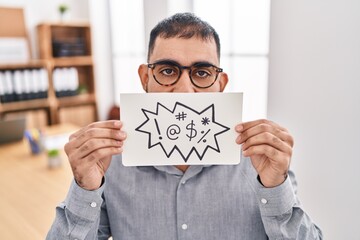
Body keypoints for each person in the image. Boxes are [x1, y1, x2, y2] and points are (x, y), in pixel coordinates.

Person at [46, 13, 323, 239]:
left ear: (220, 85)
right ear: (145, 79)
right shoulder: (110, 165)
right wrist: (85, 189)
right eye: (167, 71)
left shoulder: (260, 163)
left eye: (202, 73)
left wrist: (275, 188)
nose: (185, 90)